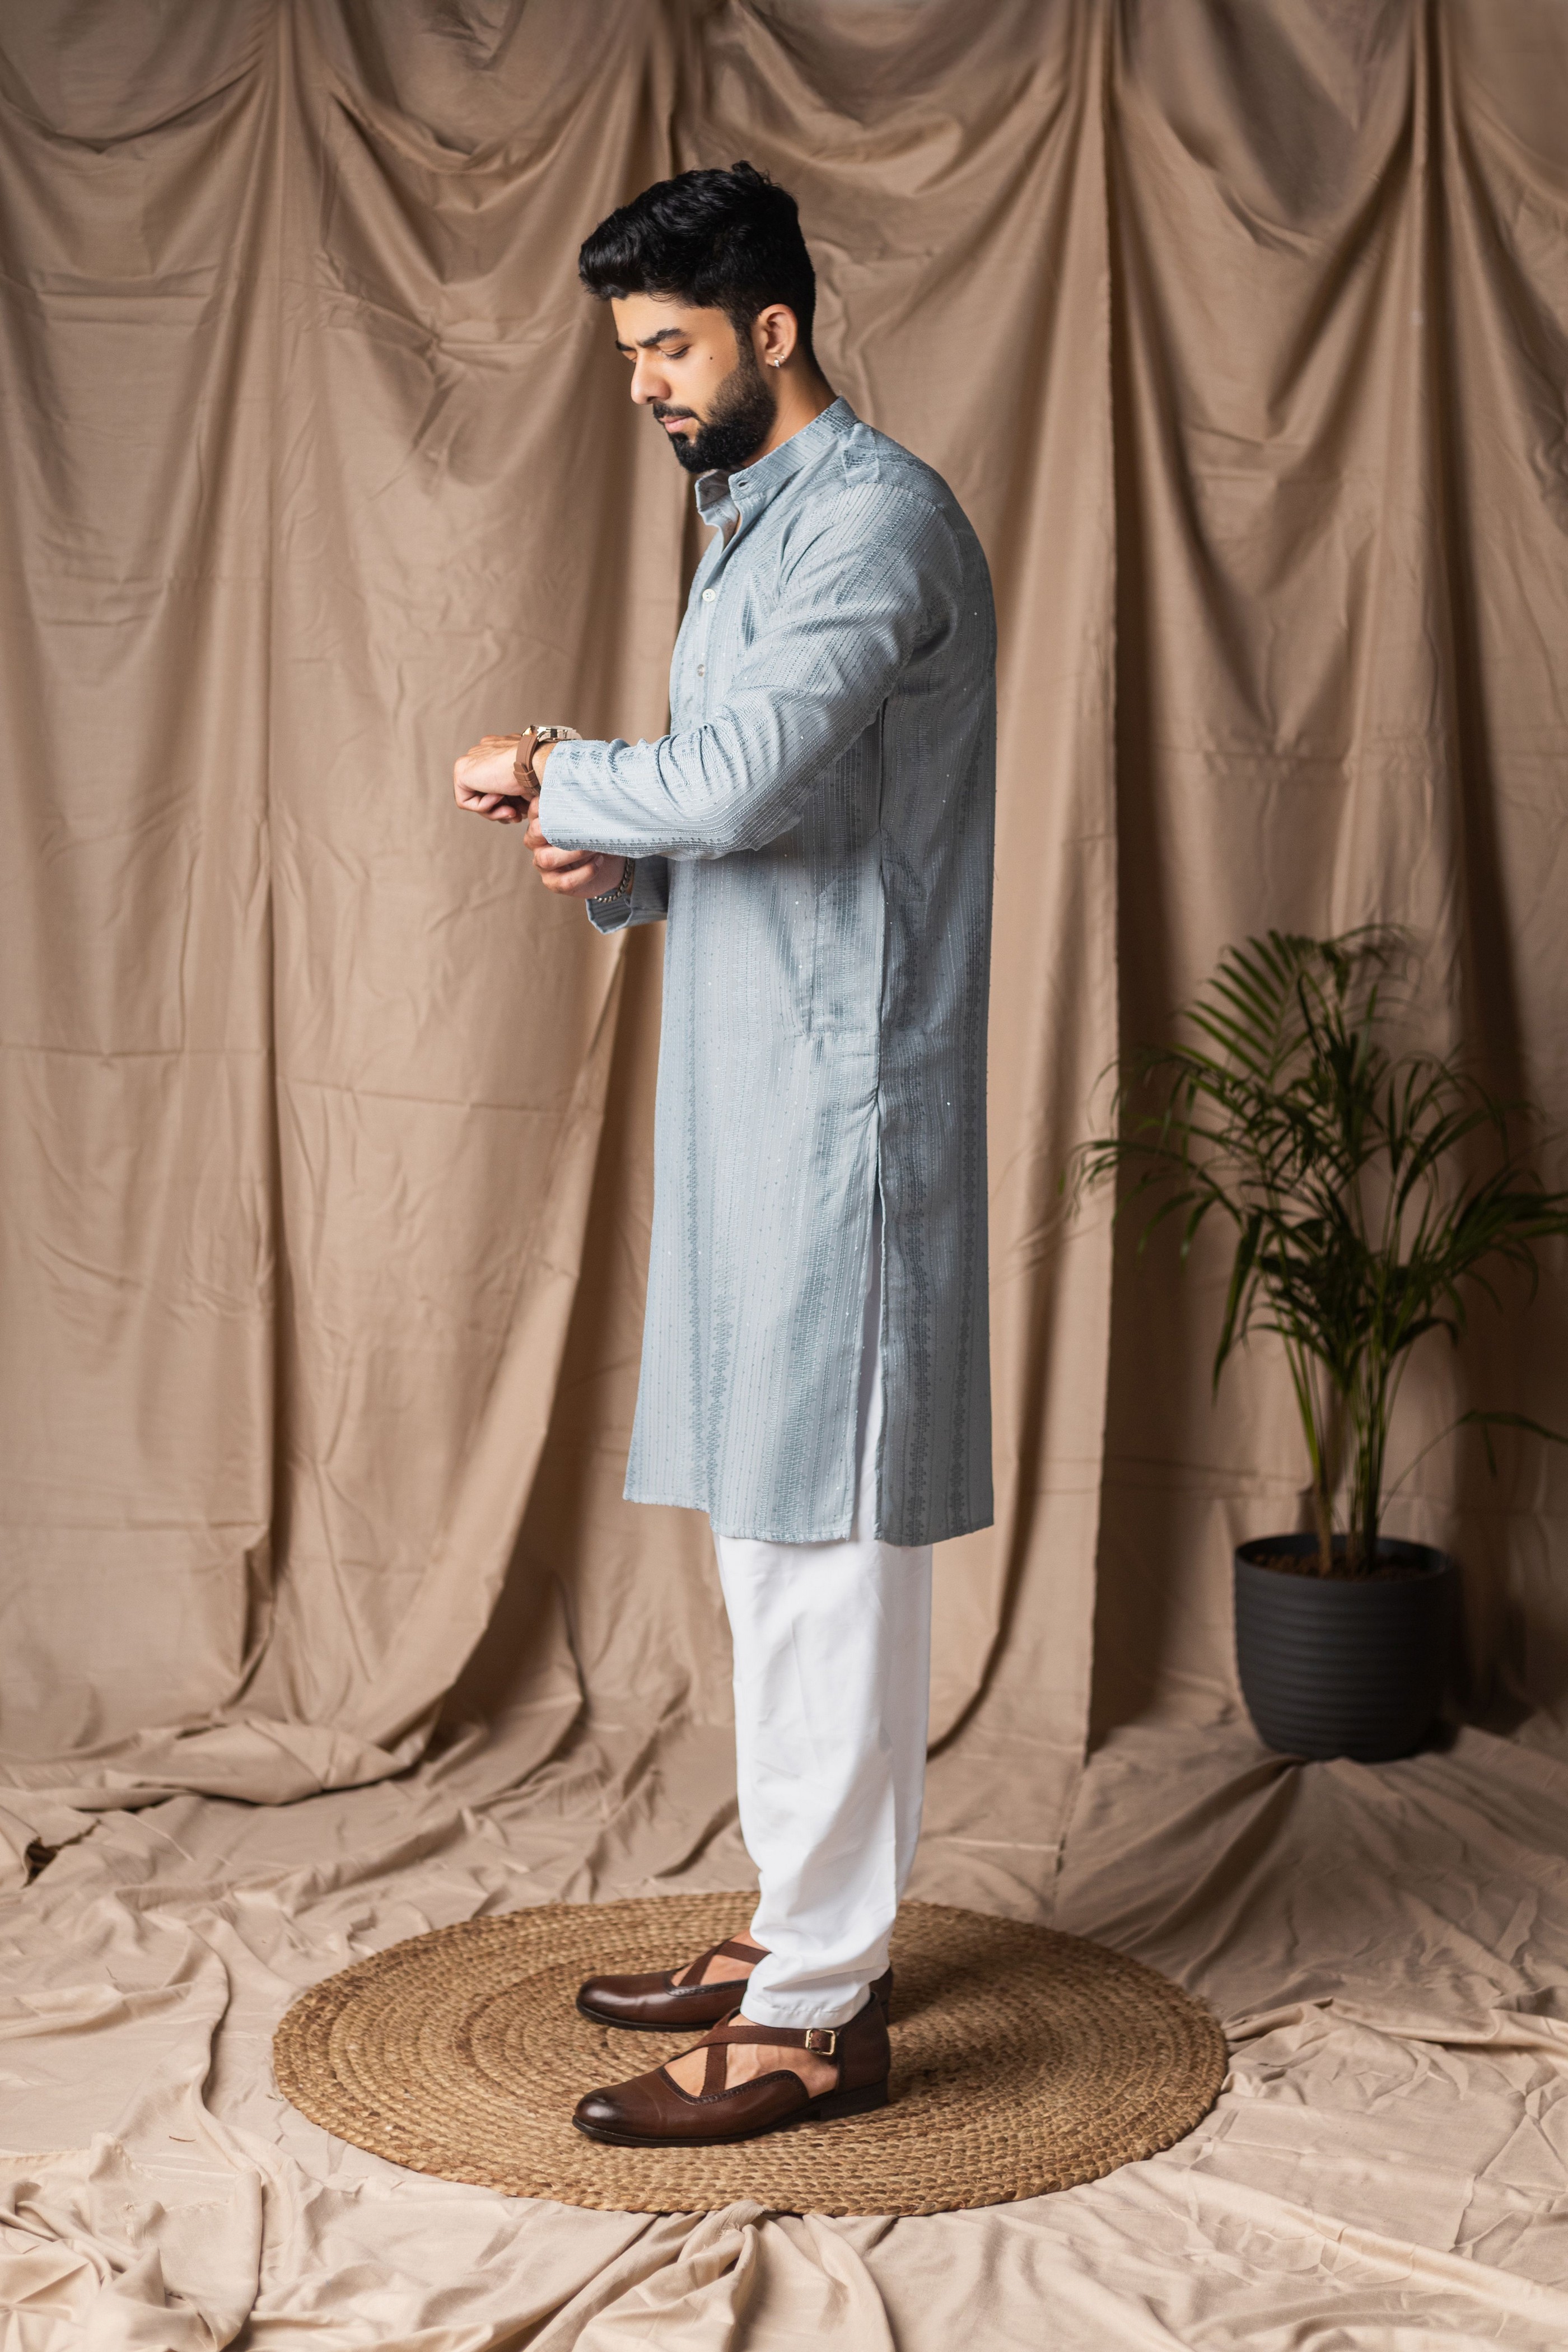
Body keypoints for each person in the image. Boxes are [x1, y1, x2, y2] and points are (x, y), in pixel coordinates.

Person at [453, 161, 995, 2149]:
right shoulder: (754, 528)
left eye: (669, 347)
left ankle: (821, 2012)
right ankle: (794, 1932)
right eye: (629, 354)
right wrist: (617, 854)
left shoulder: (873, 522)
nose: (645, 385)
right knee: (771, 1541)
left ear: (775, 328)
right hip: (757, 1097)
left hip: (847, 1110)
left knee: (826, 1554)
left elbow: (747, 775)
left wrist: (558, 767)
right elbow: (761, 821)